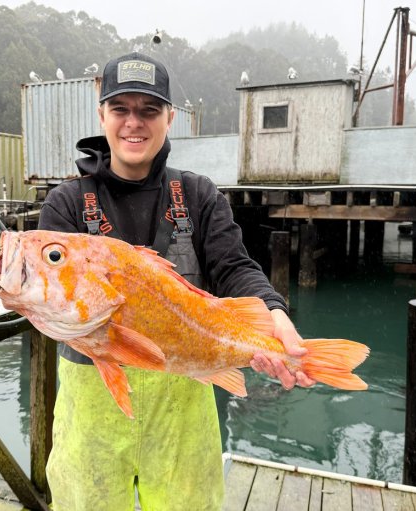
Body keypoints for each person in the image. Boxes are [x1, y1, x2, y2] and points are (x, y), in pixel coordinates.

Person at [37, 51, 314, 511]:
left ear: (169, 118)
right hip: (92, 403)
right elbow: (51, 301)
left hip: (185, 398)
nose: (134, 123)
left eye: (148, 110)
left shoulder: (200, 195)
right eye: (120, 109)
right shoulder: (65, 205)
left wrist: (273, 313)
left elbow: (234, 268)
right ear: (101, 112)